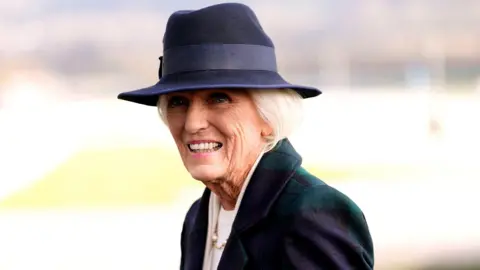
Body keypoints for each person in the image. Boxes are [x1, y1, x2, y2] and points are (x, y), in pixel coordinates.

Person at [118, 3, 374, 269]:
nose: (193, 123)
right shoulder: (199, 217)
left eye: (219, 98)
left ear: (268, 117)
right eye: (177, 102)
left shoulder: (312, 214)